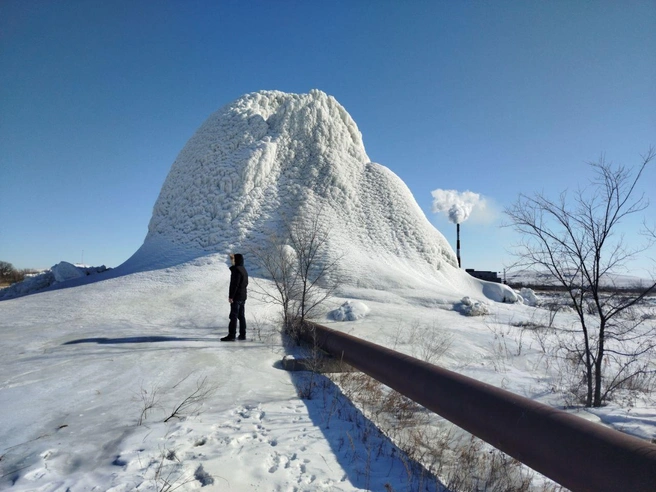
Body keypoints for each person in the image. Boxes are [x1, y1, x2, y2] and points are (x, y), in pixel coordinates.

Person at [221, 253, 248, 341]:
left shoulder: (236, 270)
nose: (231, 261)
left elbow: (234, 285)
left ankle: (232, 335)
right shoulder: (243, 269)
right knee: (241, 316)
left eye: (232, 260)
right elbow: (245, 283)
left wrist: (231, 296)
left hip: (236, 297)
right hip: (243, 296)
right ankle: (242, 335)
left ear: (236, 260)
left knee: (233, 316)